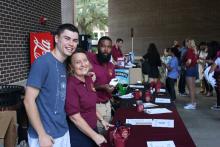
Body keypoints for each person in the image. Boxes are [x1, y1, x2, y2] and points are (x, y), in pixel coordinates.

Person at [24, 23, 79, 147]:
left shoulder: (65, 65)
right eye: (67, 38)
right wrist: (42, 134)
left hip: (62, 131)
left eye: (75, 40)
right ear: (56, 38)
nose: (71, 44)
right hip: (45, 136)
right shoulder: (42, 63)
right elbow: (28, 100)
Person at [65, 49, 113, 146]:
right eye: (78, 62)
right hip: (79, 134)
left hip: (92, 128)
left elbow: (90, 105)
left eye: (85, 60)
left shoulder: (88, 79)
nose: (83, 64)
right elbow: (74, 117)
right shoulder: (71, 85)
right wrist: (95, 136)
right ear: (71, 67)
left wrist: (102, 120)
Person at [87, 36, 115, 134]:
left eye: (109, 47)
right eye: (103, 46)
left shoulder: (111, 66)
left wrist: (112, 88)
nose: (106, 50)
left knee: (106, 135)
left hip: (107, 105)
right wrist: (102, 87)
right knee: (98, 137)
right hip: (96, 106)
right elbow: (84, 87)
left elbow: (112, 83)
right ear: (98, 47)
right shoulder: (89, 61)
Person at [183, 39, 198, 110]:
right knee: (193, 88)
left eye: (187, 42)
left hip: (190, 69)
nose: (186, 44)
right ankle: (193, 102)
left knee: (190, 88)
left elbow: (189, 61)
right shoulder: (195, 51)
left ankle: (192, 104)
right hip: (194, 69)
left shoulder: (189, 51)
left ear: (188, 44)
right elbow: (196, 60)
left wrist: (185, 65)